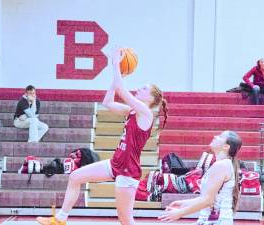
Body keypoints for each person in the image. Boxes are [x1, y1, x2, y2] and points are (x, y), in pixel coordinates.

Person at [36, 48, 168, 225]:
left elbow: (122, 90)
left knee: (126, 220)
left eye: (144, 88)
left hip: (128, 170)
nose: (139, 89)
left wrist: (115, 65)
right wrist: (116, 77)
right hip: (116, 163)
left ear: (151, 99)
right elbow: (108, 102)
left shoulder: (146, 113)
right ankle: (60, 218)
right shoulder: (132, 110)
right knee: (75, 177)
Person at [159, 131, 242, 225]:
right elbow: (206, 198)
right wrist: (183, 204)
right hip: (210, 220)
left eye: (220, 136)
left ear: (226, 147)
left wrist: (179, 213)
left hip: (217, 221)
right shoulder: (221, 164)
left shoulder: (222, 165)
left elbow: (207, 201)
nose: (215, 136)